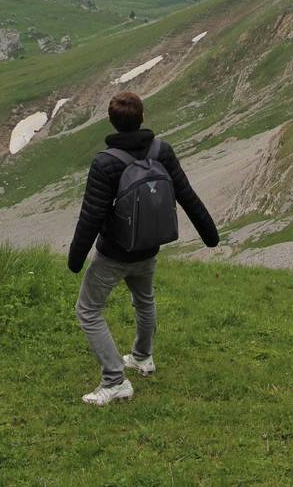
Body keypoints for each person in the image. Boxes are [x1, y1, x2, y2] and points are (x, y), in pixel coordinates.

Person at [68, 90, 219, 406]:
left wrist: (75, 259)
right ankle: (142, 357)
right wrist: (210, 235)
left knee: (88, 310)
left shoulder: (105, 163)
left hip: (114, 252)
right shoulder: (161, 151)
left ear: (111, 121)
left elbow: (92, 214)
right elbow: (186, 195)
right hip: (150, 246)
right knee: (144, 299)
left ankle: (114, 380)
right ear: (142, 118)